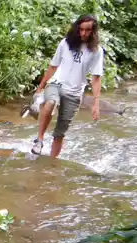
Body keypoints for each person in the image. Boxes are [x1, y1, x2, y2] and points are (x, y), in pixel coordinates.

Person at [30, 14, 104, 158]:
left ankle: (51, 163)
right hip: (56, 84)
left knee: (60, 133)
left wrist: (96, 103)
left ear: (93, 31)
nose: (83, 33)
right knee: (51, 102)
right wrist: (41, 87)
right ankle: (39, 140)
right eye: (81, 29)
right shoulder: (65, 43)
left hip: (74, 93)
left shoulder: (97, 51)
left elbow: (96, 78)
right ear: (77, 29)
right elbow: (53, 66)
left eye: (87, 30)